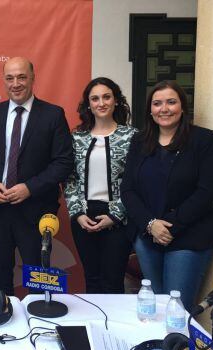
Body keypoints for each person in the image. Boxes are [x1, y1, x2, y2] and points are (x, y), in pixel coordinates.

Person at [0, 57, 73, 295]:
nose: (16, 83)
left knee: (38, 278)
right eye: (10, 78)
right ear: (4, 81)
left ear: (33, 78)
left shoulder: (53, 115)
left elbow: (63, 162)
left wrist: (30, 188)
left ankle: (37, 324)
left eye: (21, 77)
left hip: (34, 211)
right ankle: (3, 323)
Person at [121, 80, 213, 309]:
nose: (164, 108)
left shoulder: (203, 140)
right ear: (150, 109)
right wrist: (150, 225)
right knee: (155, 306)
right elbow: (127, 189)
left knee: (177, 310)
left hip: (189, 235)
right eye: (157, 103)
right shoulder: (139, 141)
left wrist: (168, 227)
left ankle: (179, 346)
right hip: (148, 236)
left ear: (182, 107)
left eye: (171, 102)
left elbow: (207, 193)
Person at [64, 77, 136, 294]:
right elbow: (70, 179)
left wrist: (115, 214)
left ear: (116, 101)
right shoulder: (77, 138)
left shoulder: (132, 137)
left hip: (117, 218)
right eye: (94, 98)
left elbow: (136, 181)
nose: (101, 103)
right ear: (88, 104)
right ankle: (95, 327)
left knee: (113, 281)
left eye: (106, 97)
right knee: (92, 278)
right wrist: (77, 213)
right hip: (84, 217)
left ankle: (112, 328)